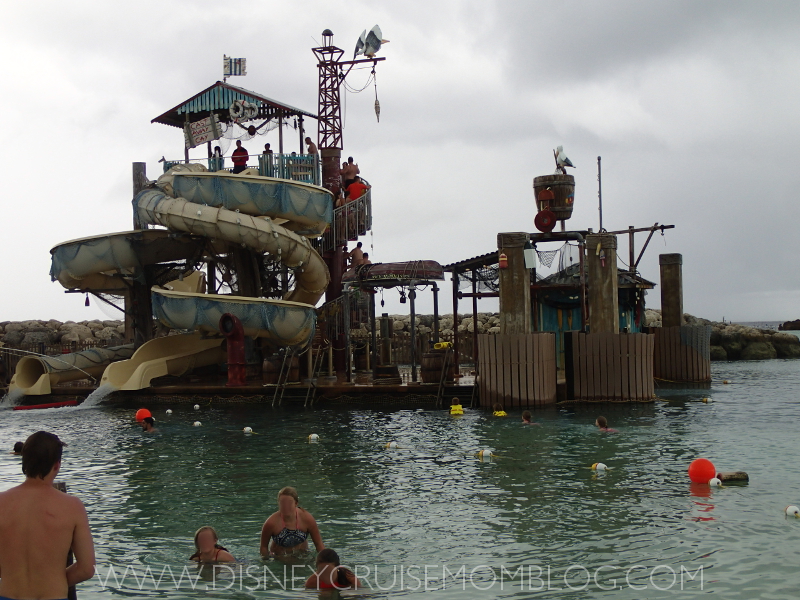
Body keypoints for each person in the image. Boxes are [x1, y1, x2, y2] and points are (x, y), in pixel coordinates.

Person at [0, 431, 95, 600]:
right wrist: (54, 580)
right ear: (57, 465)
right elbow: (86, 568)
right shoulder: (72, 506)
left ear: (24, 461)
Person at [260, 486, 324, 556]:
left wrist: (325, 562)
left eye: (289, 502)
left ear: (296, 503)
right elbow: (263, 547)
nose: (285, 506)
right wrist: (266, 562)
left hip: (302, 556)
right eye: (282, 502)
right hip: (279, 560)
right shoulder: (271, 523)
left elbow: (319, 545)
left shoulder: (307, 519)